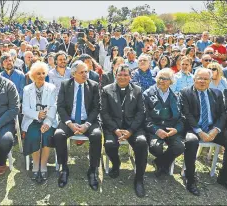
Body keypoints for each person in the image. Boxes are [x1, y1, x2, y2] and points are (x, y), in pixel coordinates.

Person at [179, 68, 227, 196]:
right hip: (193, 129)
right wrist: (199, 131)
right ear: (194, 79)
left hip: (214, 129)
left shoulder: (217, 93)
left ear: (210, 80)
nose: (202, 81)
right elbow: (186, 114)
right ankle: (190, 178)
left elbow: (223, 114)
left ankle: (224, 178)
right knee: (191, 141)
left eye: (206, 79)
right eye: (199, 78)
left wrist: (216, 130)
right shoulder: (185, 93)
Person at [53, 60, 102, 190]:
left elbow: (96, 108)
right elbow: (61, 106)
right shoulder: (65, 85)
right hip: (70, 120)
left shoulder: (94, 85)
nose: (85, 74)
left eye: (86, 71)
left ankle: (92, 170)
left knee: (97, 135)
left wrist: (87, 124)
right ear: (74, 74)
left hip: (88, 120)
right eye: (82, 72)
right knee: (58, 135)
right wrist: (69, 123)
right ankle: (64, 168)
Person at [101, 64, 148, 197]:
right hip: (113, 127)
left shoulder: (138, 90)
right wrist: (115, 129)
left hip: (133, 127)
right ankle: (116, 164)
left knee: (142, 143)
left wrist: (131, 130)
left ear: (130, 76)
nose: (122, 77)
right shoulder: (106, 90)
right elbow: (104, 113)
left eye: (125, 75)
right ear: (115, 76)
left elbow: (141, 112)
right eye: (120, 75)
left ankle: (139, 179)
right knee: (110, 144)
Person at [143, 68, 185, 178]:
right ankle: (163, 165)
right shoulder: (147, 94)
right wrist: (156, 130)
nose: (162, 81)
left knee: (179, 147)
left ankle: (160, 163)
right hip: (154, 129)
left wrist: (176, 129)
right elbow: (144, 117)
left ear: (171, 81)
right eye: (160, 78)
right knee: (155, 147)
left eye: (165, 79)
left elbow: (181, 118)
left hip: (171, 130)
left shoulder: (176, 97)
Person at [21, 62, 58, 181]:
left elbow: (53, 106)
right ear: (32, 75)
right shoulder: (27, 89)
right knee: (33, 135)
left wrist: (47, 123)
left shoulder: (51, 88)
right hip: (32, 120)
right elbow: (25, 108)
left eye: (43, 73)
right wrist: (37, 114)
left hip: (49, 119)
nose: (41, 76)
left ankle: (43, 165)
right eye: (38, 73)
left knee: (47, 135)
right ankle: (35, 165)